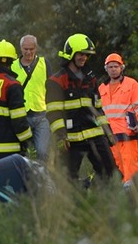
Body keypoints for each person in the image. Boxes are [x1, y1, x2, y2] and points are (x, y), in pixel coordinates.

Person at [45, 34, 118, 186]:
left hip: (95, 135)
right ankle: (80, 197)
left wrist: (108, 132)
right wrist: (60, 137)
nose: (83, 57)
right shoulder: (56, 81)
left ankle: (101, 199)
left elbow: (98, 108)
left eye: (86, 54)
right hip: (71, 140)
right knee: (67, 180)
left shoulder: (90, 78)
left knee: (110, 172)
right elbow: (54, 112)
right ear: (71, 53)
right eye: (80, 54)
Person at [0, 40, 32, 164]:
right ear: (12, 61)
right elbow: (19, 120)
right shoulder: (13, 85)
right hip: (11, 152)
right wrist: (27, 142)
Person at [98, 53, 138, 185]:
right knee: (115, 169)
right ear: (106, 69)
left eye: (116, 66)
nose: (113, 69)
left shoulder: (131, 84)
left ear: (122, 68)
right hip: (110, 136)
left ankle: (132, 196)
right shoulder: (101, 88)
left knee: (130, 167)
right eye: (110, 67)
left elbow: (137, 106)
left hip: (128, 134)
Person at [11, 35, 52, 162]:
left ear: (36, 48)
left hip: (41, 114)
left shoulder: (44, 63)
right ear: (20, 49)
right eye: (25, 49)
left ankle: (43, 178)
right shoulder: (13, 65)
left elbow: (51, 87)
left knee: (42, 152)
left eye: (31, 49)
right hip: (22, 116)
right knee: (23, 153)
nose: (28, 52)